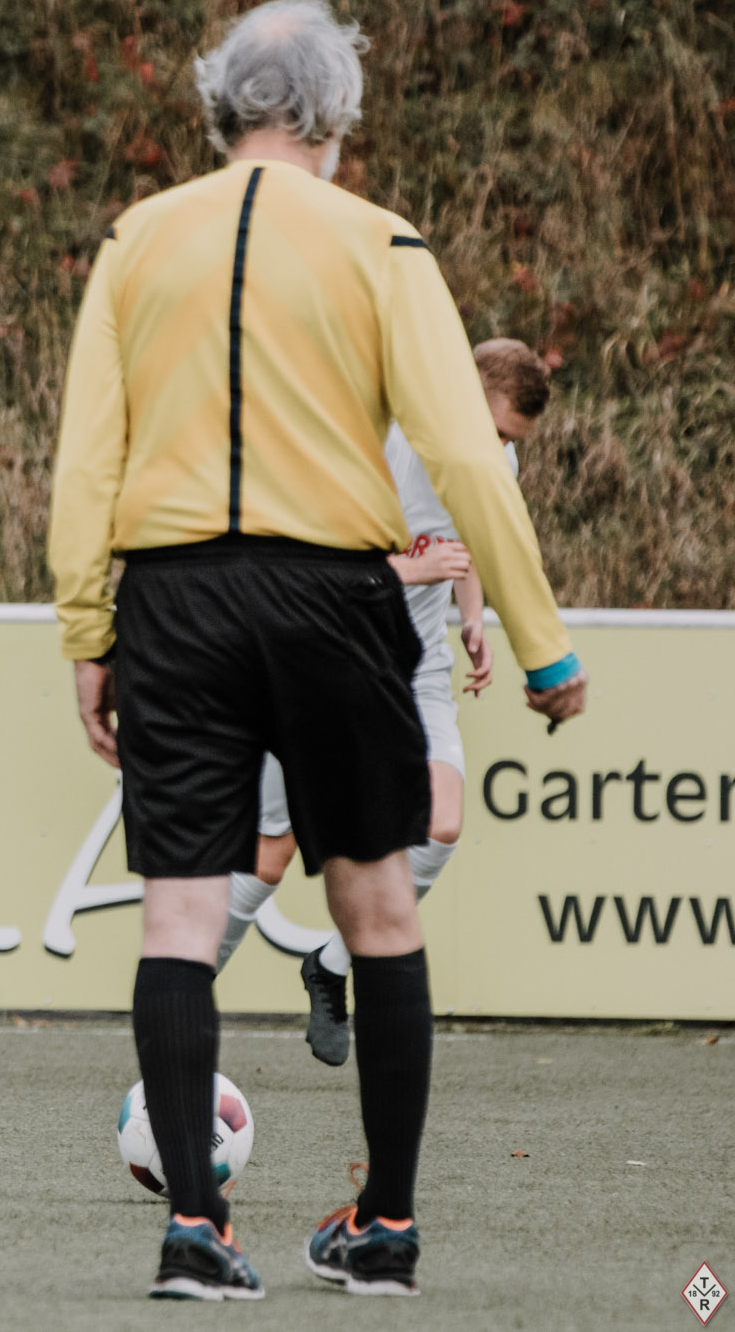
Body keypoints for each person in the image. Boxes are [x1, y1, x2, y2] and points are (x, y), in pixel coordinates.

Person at [49, 0, 587, 1302]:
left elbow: (86, 460)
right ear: (335, 117)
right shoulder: (382, 241)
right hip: (334, 598)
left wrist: (87, 628)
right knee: (380, 906)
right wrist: (542, 646)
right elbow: (465, 454)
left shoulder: (136, 238)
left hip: (175, 597)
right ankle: (384, 1227)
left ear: (217, 106)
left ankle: (194, 1231)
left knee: (179, 916)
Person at [218, 340, 553, 1070]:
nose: (500, 449)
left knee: (440, 823)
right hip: (316, 653)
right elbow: (307, 566)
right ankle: (178, 1002)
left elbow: (470, 539)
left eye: (511, 441)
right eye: (496, 431)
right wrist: (409, 569)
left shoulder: (494, 462)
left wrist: (472, 613)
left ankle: (329, 965)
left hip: (413, 664)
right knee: (270, 856)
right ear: (460, 394)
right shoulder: (375, 435)